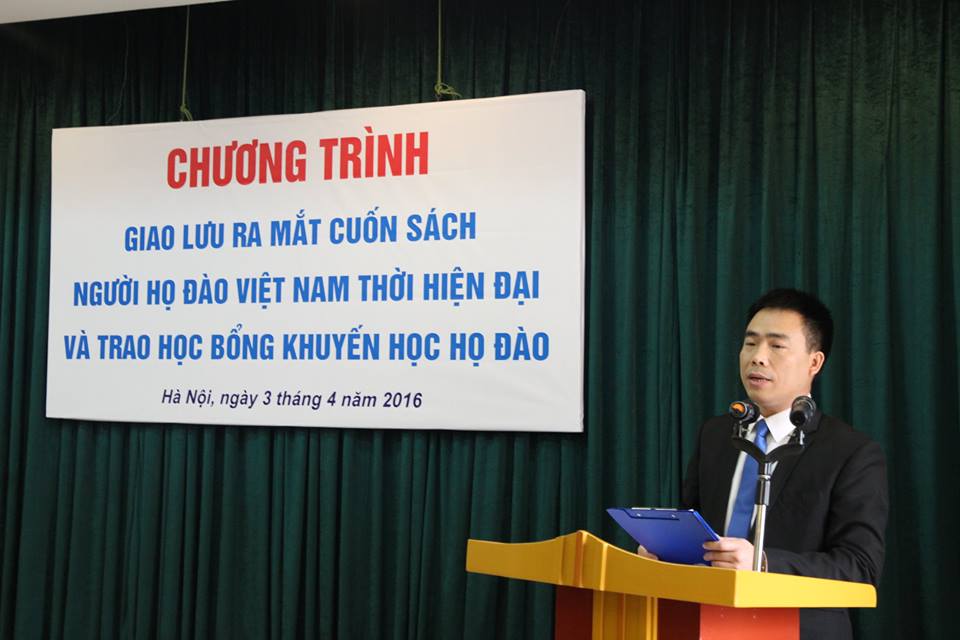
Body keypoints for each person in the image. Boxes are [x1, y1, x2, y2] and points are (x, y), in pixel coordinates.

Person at [643, 288, 888, 640]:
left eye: (776, 346)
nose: (758, 357)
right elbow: (696, 526)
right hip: (707, 623)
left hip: (798, 629)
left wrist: (763, 562)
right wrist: (665, 551)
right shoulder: (716, 434)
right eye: (750, 343)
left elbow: (859, 567)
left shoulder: (851, 452)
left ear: (814, 363)